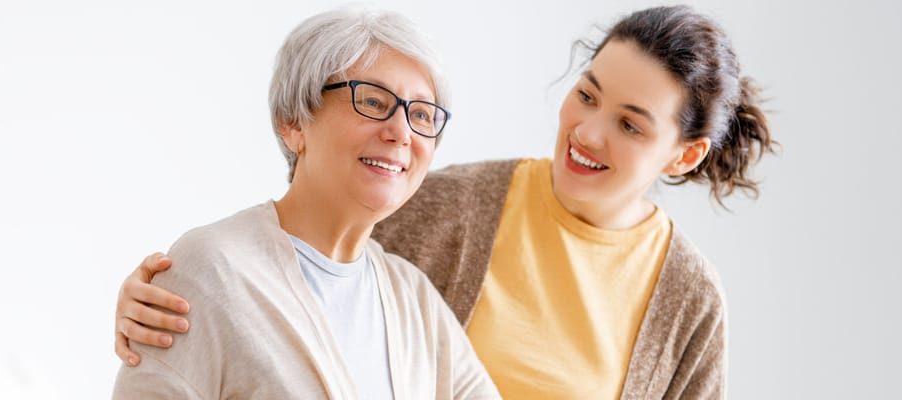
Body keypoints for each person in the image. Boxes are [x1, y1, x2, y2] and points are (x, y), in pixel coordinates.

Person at [115, 5, 775, 399]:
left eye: (631, 124)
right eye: (588, 93)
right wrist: (178, 286)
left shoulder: (688, 300)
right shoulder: (451, 204)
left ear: (683, 154)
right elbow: (287, 262)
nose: (589, 131)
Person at [111, 6, 499, 399]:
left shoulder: (416, 301)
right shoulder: (210, 270)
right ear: (293, 121)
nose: (401, 132)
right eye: (373, 102)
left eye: (421, 114)